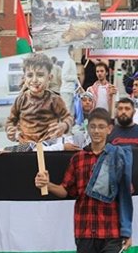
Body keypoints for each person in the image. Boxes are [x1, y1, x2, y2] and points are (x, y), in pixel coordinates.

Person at [34, 108, 133, 253]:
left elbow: (125, 195)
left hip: (112, 231)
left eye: (101, 127)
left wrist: (127, 231)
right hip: (84, 231)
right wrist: (47, 184)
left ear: (109, 129)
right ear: (87, 128)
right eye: (92, 126)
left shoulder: (118, 157)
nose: (96, 131)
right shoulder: (77, 158)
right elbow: (65, 191)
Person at [5, 53, 74, 146]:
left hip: (49, 143)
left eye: (40, 75)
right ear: (24, 78)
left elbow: (68, 117)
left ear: (49, 78)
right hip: (25, 145)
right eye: (29, 75)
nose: (34, 80)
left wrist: (64, 126)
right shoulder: (20, 100)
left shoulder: (55, 99)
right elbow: (11, 120)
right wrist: (10, 130)